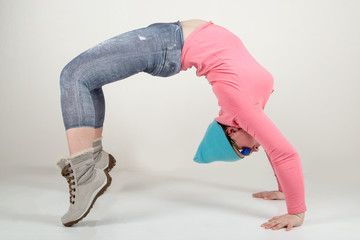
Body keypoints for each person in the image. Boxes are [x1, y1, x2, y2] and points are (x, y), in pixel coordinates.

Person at [57, 19, 306, 231]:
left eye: (243, 151)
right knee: (87, 79)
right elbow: (280, 151)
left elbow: (278, 150)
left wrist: (291, 203)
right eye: (244, 151)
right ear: (231, 131)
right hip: (169, 41)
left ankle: (85, 173)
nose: (253, 151)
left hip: (167, 44)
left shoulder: (243, 109)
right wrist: (290, 200)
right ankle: (94, 160)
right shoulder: (246, 110)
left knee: (74, 75)